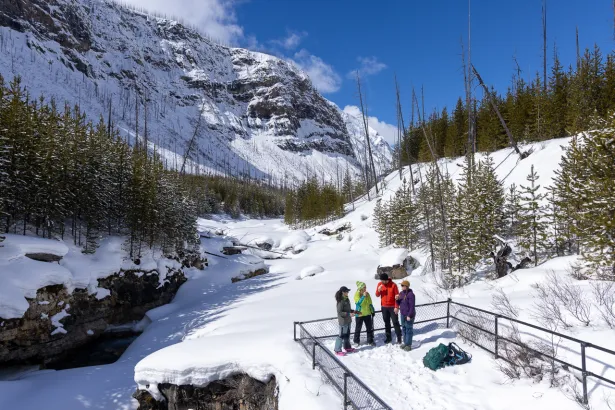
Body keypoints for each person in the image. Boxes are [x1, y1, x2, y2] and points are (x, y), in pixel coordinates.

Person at [375, 273, 402, 344]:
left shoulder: (393, 285)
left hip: (392, 307)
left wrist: (396, 307)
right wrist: (378, 290)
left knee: (395, 322)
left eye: (383, 280)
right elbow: (377, 295)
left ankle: (399, 337)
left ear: (386, 280)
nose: (382, 282)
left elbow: (397, 296)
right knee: (386, 323)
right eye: (381, 280)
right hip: (384, 307)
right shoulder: (380, 284)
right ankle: (388, 337)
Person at [334, 286, 356, 356]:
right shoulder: (340, 301)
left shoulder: (347, 299)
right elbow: (340, 312)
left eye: (348, 291)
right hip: (343, 322)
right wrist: (349, 314)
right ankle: (337, 350)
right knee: (341, 335)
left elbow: (347, 310)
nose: (348, 293)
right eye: (346, 291)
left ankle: (347, 347)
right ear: (343, 292)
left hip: (348, 320)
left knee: (347, 335)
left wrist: (354, 311)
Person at [353, 281, 375, 346]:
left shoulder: (367, 294)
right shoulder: (357, 294)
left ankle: (370, 340)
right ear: (361, 288)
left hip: (367, 313)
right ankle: (356, 341)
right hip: (359, 314)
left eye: (365, 287)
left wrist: (372, 311)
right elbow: (358, 303)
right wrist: (363, 296)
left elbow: (370, 303)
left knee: (369, 328)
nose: (365, 288)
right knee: (358, 328)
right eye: (364, 287)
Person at [397, 280, 416, 351]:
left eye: (402, 285)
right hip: (402, 314)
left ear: (406, 286)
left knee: (409, 329)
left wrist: (409, 315)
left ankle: (409, 345)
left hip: (409, 315)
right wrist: (397, 299)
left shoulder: (411, 294)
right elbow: (399, 303)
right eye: (401, 285)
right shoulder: (401, 293)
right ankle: (405, 343)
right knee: (404, 328)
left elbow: (412, 306)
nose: (401, 287)